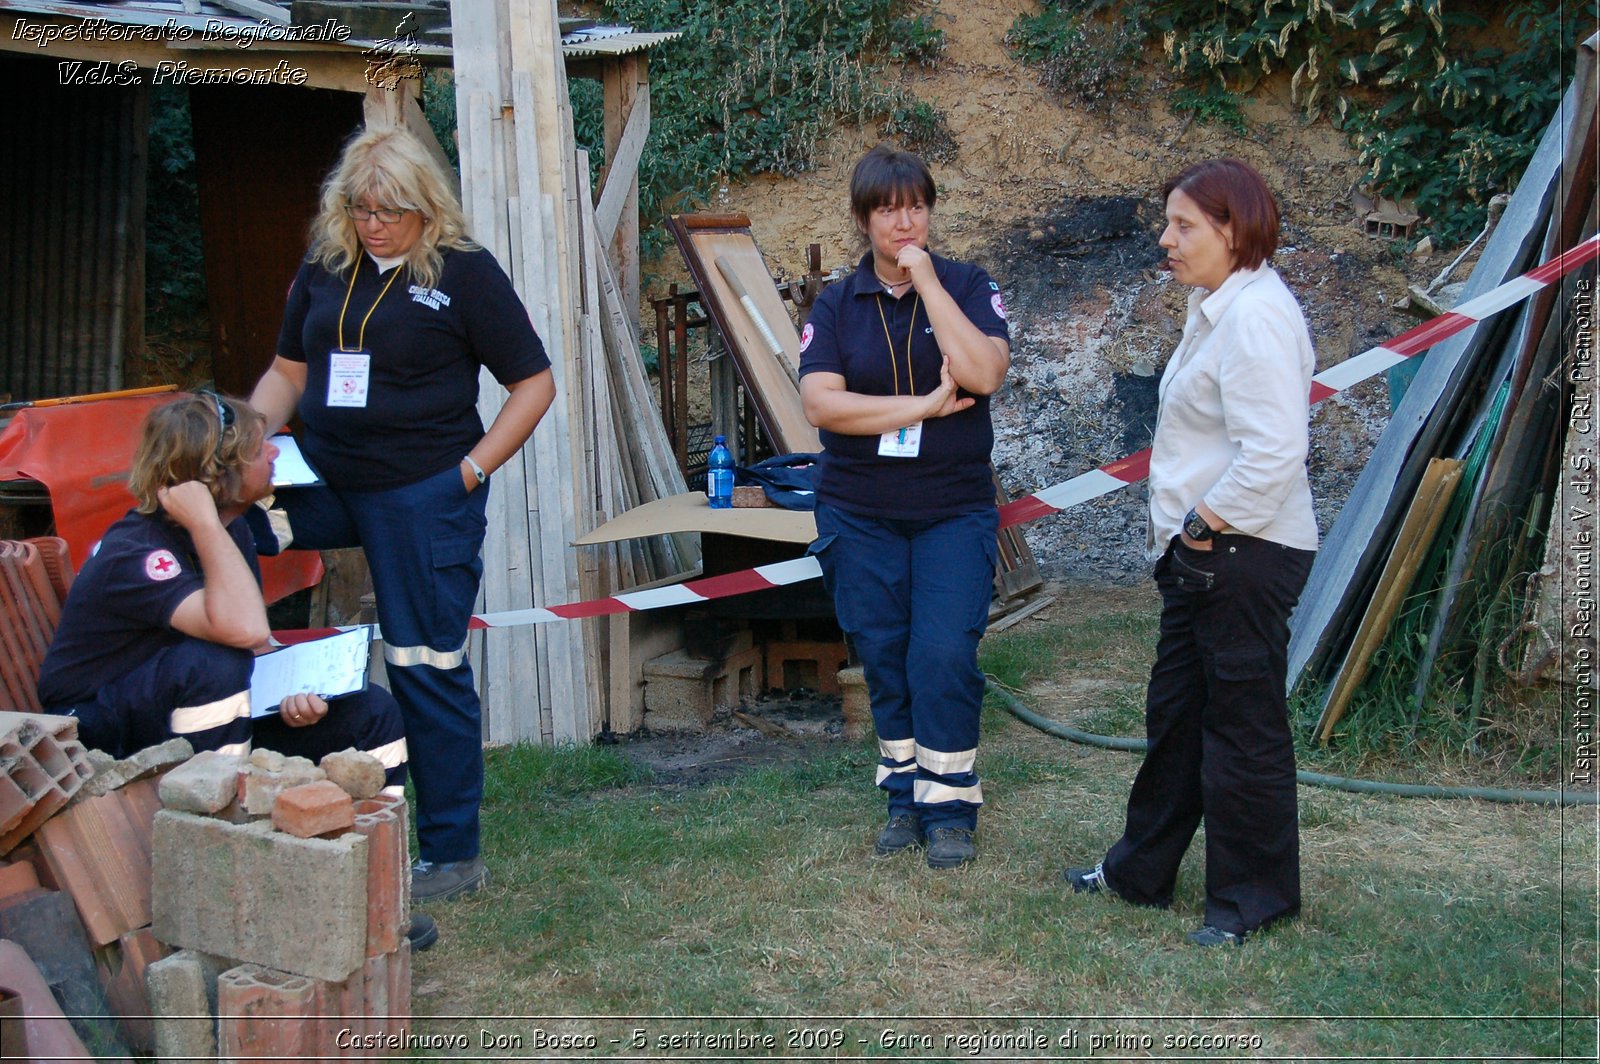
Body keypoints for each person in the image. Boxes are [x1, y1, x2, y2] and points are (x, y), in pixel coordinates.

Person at [249, 126, 555, 904]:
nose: (374, 223)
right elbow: (288, 370)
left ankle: (451, 852)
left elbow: (534, 384)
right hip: (326, 476)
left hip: (422, 492)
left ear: (427, 206)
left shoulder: (464, 273)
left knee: (424, 665)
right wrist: (241, 450)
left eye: (391, 210)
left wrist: (471, 470)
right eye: (360, 208)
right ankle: (229, 758)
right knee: (221, 531)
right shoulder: (326, 265)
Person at [1063, 158, 1318, 946]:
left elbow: (1273, 453)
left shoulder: (1255, 317)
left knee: (1242, 732)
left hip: (1242, 554)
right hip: (1205, 557)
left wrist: (1202, 524)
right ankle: (1140, 873)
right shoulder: (1216, 306)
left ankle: (1250, 902)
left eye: (1183, 227)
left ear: (1233, 230)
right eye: (1167, 224)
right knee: (1177, 721)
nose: (1165, 242)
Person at [799, 144, 1011, 869]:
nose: (904, 220)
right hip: (860, 511)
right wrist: (921, 405)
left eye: (916, 205)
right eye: (888, 209)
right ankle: (903, 795)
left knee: (944, 652)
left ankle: (950, 805)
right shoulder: (836, 302)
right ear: (864, 219)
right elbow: (822, 405)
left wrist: (925, 277)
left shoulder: (967, 283)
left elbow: (983, 373)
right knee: (886, 654)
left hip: (952, 508)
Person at [36, 392, 409, 784]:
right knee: (214, 665)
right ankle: (222, 819)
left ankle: (376, 837)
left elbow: (256, 643)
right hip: (93, 726)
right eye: (256, 448)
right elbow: (242, 632)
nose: (273, 453)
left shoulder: (235, 529)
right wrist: (206, 524)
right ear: (217, 472)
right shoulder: (136, 551)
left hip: (186, 709)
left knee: (372, 711)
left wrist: (299, 691)